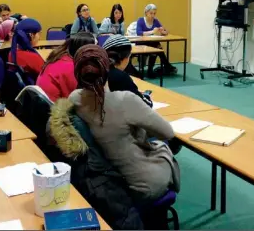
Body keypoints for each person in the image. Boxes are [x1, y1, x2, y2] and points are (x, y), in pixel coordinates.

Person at [69, 44, 180, 204]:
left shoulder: (74, 98)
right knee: (165, 145)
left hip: (109, 179)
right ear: (108, 67)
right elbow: (168, 133)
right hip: (142, 185)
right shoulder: (125, 100)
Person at [37, 32, 96, 102]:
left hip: (44, 104)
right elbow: (77, 98)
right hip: (54, 109)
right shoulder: (72, 67)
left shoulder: (61, 58)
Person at [102, 35, 152, 107]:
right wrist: (146, 96)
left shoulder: (99, 71)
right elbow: (144, 104)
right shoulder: (121, 77)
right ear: (126, 57)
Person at [136, 4, 177, 78]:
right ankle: (165, 66)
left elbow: (164, 31)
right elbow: (139, 33)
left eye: (154, 13)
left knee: (156, 46)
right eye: (151, 13)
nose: (153, 15)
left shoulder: (155, 21)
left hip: (152, 42)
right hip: (141, 43)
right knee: (157, 47)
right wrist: (152, 31)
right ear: (146, 12)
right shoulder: (141, 20)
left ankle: (153, 69)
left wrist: (163, 31)